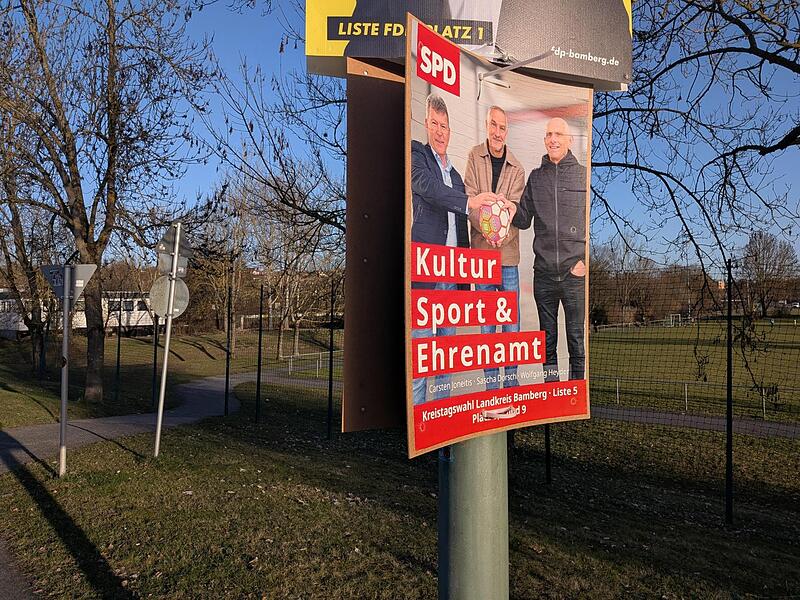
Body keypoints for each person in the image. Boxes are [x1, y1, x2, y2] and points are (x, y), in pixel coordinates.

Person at [411, 93, 496, 404]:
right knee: (422, 357)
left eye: (444, 126)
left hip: (453, 272)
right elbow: (427, 189)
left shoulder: (458, 177)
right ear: (426, 125)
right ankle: (421, 435)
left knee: (445, 359)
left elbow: (466, 218)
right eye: (434, 124)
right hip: (426, 270)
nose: (439, 131)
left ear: (450, 130)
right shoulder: (417, 156)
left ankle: (442, 436)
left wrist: (491, 219)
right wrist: (468, 202)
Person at [513, 117, 587, 382]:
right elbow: (522, 219)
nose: (553, 139)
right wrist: (502, 206)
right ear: (545, 140)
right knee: (547, 341)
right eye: (548, 134)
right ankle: (551, 392)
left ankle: (575, 392)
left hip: (574, 274)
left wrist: (584, 258)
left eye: (558, 134)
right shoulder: (536, 177)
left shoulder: (582, 175)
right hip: (543, 274)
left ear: (569, 141)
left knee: (576, 339)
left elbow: (592, 221)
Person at [464, 105, 525, 390]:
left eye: (502, 127)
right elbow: (469, 200)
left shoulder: (518, 169)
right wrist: (487, 229)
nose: (497, 132)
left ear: (507, 130)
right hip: (481, 258)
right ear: (487, 126)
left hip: (508, 257)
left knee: (511, 325)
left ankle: (510, 387)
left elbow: (515, 210)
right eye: (493, 125)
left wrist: (502, 235)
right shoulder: (474, 157)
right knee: (489, 326)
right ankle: (490, 390)